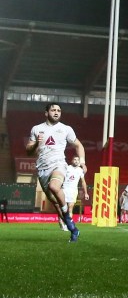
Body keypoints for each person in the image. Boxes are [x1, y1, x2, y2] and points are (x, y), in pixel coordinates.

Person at [25, 103, 85, 242]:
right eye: (53, 110)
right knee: (55, 203)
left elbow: (78, 145)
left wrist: (82, 162)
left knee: (54, 186)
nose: (56, 112)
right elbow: (28, 151)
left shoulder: (66, 129)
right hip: (42, 168)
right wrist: (35, 144)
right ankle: (73, 228)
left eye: (59, 110)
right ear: (46, 113)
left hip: (59, 164)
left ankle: (68, 218)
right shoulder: (37, 129)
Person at [59, 155, 88, 230]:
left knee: (70, 208)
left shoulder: (80, 170)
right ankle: (61, 222)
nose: (76, 161)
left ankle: (68, 224)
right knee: (63, 208)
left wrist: (86, 193)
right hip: (65, 189)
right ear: (72, 161)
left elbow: (83, 182)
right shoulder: (67, 168)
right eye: (74, 159)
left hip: (73, 190)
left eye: (77, 160)